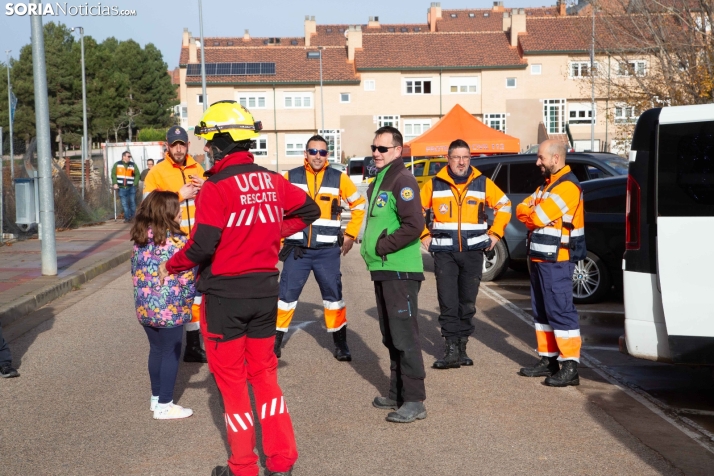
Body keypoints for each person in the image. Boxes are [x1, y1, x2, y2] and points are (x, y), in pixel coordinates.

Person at [159, 100, 320, 476]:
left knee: (233, 389)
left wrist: (172, 265)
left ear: (223, 143)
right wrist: (271, 230)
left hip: (224, 301)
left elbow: (201, 247)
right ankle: (281, 463)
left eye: (209, 143)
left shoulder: (217, 187)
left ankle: (243, 467)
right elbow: (309, 210)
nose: (205, 150)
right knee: (265, 380)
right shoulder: (272, 179)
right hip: (265, 294)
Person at [420, 139, 512, 369]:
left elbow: (505, 205)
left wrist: (495, 235)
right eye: (456, 157)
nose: (461, 162)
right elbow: (415, 211)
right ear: (448, 159)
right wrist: (424, 236)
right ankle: (450, 349)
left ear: (470, 159)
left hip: (473, 253)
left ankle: (462, 347)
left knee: (467, 302)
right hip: (445, 254)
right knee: (448, 301)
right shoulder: (435, 183)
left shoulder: (482, 182)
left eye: (466, 157)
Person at [275, 134, 366, 361]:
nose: (318, 156)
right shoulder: (289, 177)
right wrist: (278, 241)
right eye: (313, 151)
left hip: (327, 252)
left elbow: (359, 205)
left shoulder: (339, 178)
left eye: (323, 152)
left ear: (328, 155)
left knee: (333, 297)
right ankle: (274, 343)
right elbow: (276, 209)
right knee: (285, 297)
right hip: (298, 251)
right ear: (305, 154)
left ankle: (340, 343)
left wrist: (351, 235)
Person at [361, 126, 427, 424]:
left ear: (398, 151)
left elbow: (414, 224)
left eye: (382, 149)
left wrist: (381, 246)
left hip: (400, 270)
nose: (376, 152)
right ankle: (397, 392)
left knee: (405, 337)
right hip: (383, 269)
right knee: (390, 336)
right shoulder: (381, 178)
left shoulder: (403, 180)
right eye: (374, 147)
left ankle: (415, 400)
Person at [516, 139, 586, 387]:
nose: (537, 162)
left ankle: (570, 366)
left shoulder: (566, 187)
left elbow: (536, 216)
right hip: (541, 258)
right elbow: (521, 208)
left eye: (541, 158)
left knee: (561, 312)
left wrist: (533, 212)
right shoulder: (549, 186)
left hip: (558, 260)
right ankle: (549, 360)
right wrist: (532, 211)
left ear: (555, 159)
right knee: (543, 313)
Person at [143, 127, 208, 364]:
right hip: (171, 243)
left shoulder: (197, 168)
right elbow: (146, 207)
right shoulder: (156, 173)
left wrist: (206, 189)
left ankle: (192, 344)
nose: (179, 149)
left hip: (196, 240)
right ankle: (168, 346)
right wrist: (178, 195)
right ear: (167, 147)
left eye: (182, 144)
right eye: (174, 145)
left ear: (188, 145)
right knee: (172, 296)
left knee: (196, 296)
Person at [131, 190, 195, 419]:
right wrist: (189, 302)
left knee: (156, 350)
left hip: (145, 306)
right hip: (171, 307)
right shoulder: (177, 241)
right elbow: (188, 277)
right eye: (177, 208)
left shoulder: (140, 239)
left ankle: (156, 397)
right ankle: (166, 404)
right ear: (168, 213)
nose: (180, 213)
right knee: (171, 352)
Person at [111, 151, 138, 222]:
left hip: (131, 187)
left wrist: (134, 183)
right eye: (128, 156)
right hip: (121, 187)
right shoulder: (117, 164)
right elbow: (113, 174)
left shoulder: (133, 165)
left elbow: (137, 174)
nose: (130, 158)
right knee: (124, 203)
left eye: (130, 156)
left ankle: (133, 217)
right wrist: (115, 183)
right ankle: (127, 217)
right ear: (124, 157)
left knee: (132, 202)